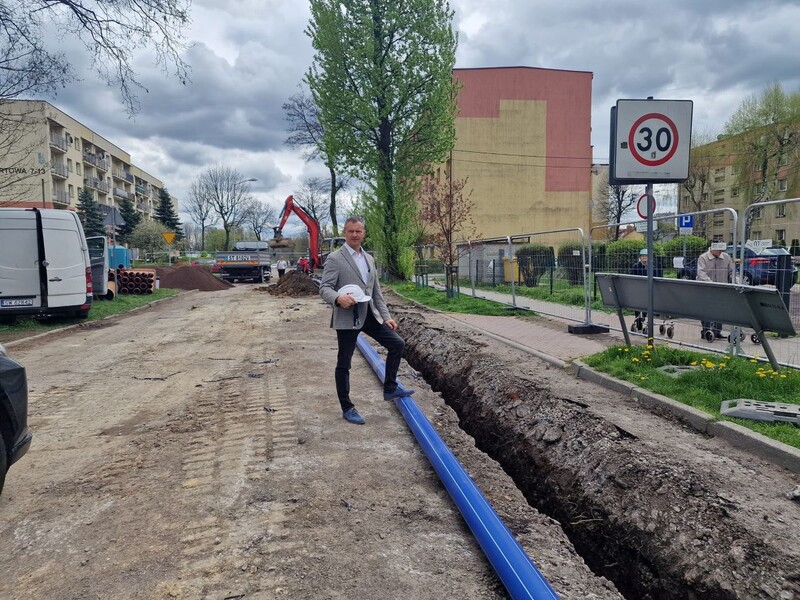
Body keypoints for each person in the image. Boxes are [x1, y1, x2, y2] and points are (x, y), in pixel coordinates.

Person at [319, 216, 414, 425]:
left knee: (397, 343)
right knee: (344, 363)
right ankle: (347, 407)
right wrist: (337, 298)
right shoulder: (335, 258)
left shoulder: (369, 259)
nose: (355, 235)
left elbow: (376, 292)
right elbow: (324, 288)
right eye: (351, 231)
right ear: (345, 232)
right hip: (347, 316)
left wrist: (386, 317)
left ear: (364, 233)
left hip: (369, 313)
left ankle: (390, 388)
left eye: (358, 231)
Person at [696, 242, 735, 338]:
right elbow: (701, 273)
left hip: (721, 288)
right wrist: (711, 283)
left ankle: (717, 332)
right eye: (719, 250)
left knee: (720, 310)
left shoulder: (726, 257)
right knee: (706, 310)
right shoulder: (703, 258)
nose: (721, 252)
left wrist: (735, 281)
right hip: (706, 288)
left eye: (722, 250)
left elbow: (732, 272)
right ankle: (706, 331)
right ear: (712, 249)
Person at [630, 249, 663, 330]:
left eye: (646, 256)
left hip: (649, 290)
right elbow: (632, 278)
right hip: (638, 289)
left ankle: (643, 318)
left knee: (647, 305)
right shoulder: (635, 267)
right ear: (640, 257)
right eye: (643, 256)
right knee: (638, 305)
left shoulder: (653, 267)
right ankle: (638, 321)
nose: (644, 257)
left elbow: (656, 278)